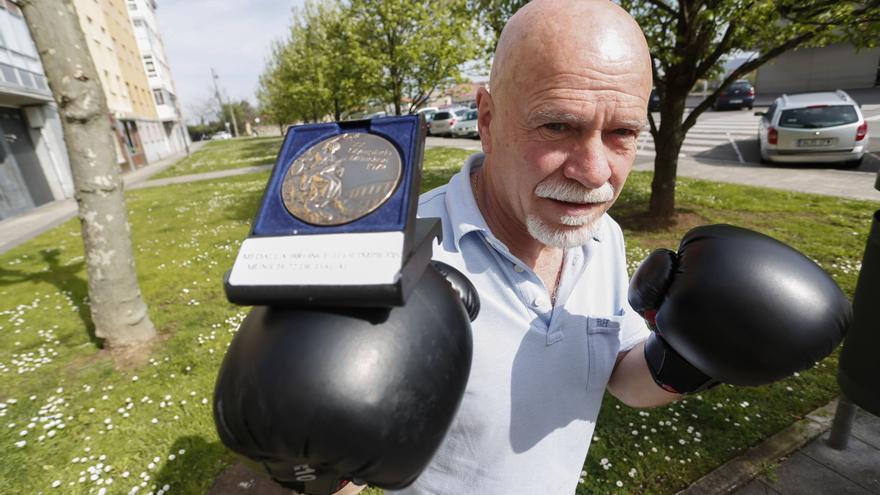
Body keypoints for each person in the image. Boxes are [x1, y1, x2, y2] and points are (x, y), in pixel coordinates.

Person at [392, 0, 676, 493]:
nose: (594, 174)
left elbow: (620, 375)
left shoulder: (601, 235)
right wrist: (313, 469)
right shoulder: (398, 255)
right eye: (558, 126)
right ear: (486, 120)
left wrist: (690, 358)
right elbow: (332, 454)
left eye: (622, 133)